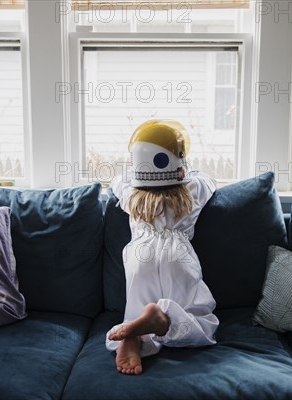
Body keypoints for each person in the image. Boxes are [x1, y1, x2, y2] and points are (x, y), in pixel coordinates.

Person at [106, 119, 219, 375]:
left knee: (134, 309)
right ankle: (162, 319)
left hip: (139, 258)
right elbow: (208, 180)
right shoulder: (191, 190)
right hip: (177, 256)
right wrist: (182, 174)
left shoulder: (131, 193)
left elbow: (118, 179)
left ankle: (133, 335)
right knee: (201, 320)